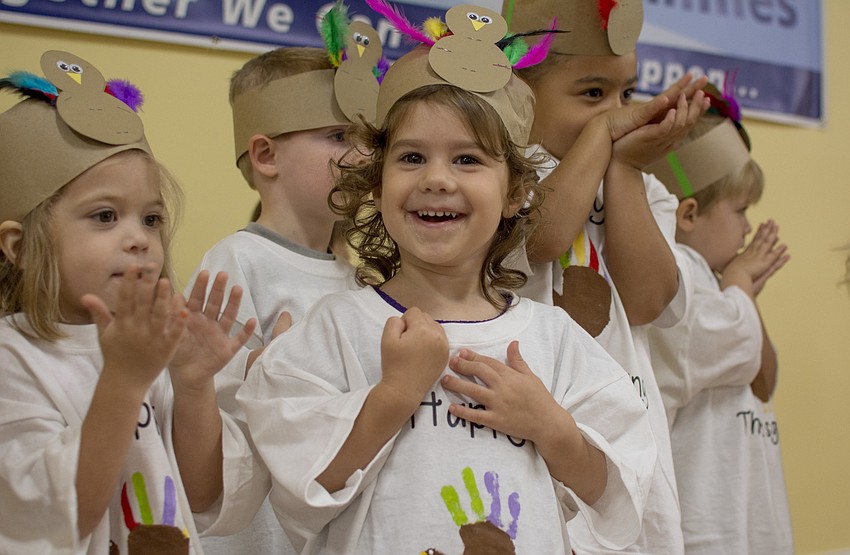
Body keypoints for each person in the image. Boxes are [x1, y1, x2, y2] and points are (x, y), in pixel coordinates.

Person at [235, 8, 657, 552]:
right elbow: (301, 489)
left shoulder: (553, 340)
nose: (437, 179)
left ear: (514, 194)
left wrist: (549, 426)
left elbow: (619, 492)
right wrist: (394, 394)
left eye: (467, 159)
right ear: (376, 181)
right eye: (411, 157)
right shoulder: (336, 330)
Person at [0, 51, 254, 554]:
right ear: (21, 247)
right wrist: (124, 379)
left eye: (152, 219)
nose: (139, 239)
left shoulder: (150, 344)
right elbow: (57, 516)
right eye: (104, 216)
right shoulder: (14, 357)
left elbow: (200, 496)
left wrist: (192, 383)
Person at [502, 1, 711, 552]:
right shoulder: (504, 171)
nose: (617, 113)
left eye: (626, 93)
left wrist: (626, 168)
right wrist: (603, 139)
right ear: (521, 93)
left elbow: (647, 302)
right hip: (535, 435)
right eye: (592, 94)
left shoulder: (640, 182)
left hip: (624, 442)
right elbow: (544, 240)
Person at [187, 8, 384, 553]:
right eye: (339, 135)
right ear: (266, 155)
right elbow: (201, 394)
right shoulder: (238, 261)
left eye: (369, 138)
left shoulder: (356, 276)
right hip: (257, 530)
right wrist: (260, 371)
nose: (365, 155)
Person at [645, 96, 793, 553]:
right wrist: (741, 281)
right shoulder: (679, 277)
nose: (748, 228)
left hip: (750, 517)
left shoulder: (720, 287)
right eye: (740, 210)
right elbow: (742, 344)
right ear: (687, 215)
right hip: (707, 528)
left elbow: (763, 381)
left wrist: (740, 286)